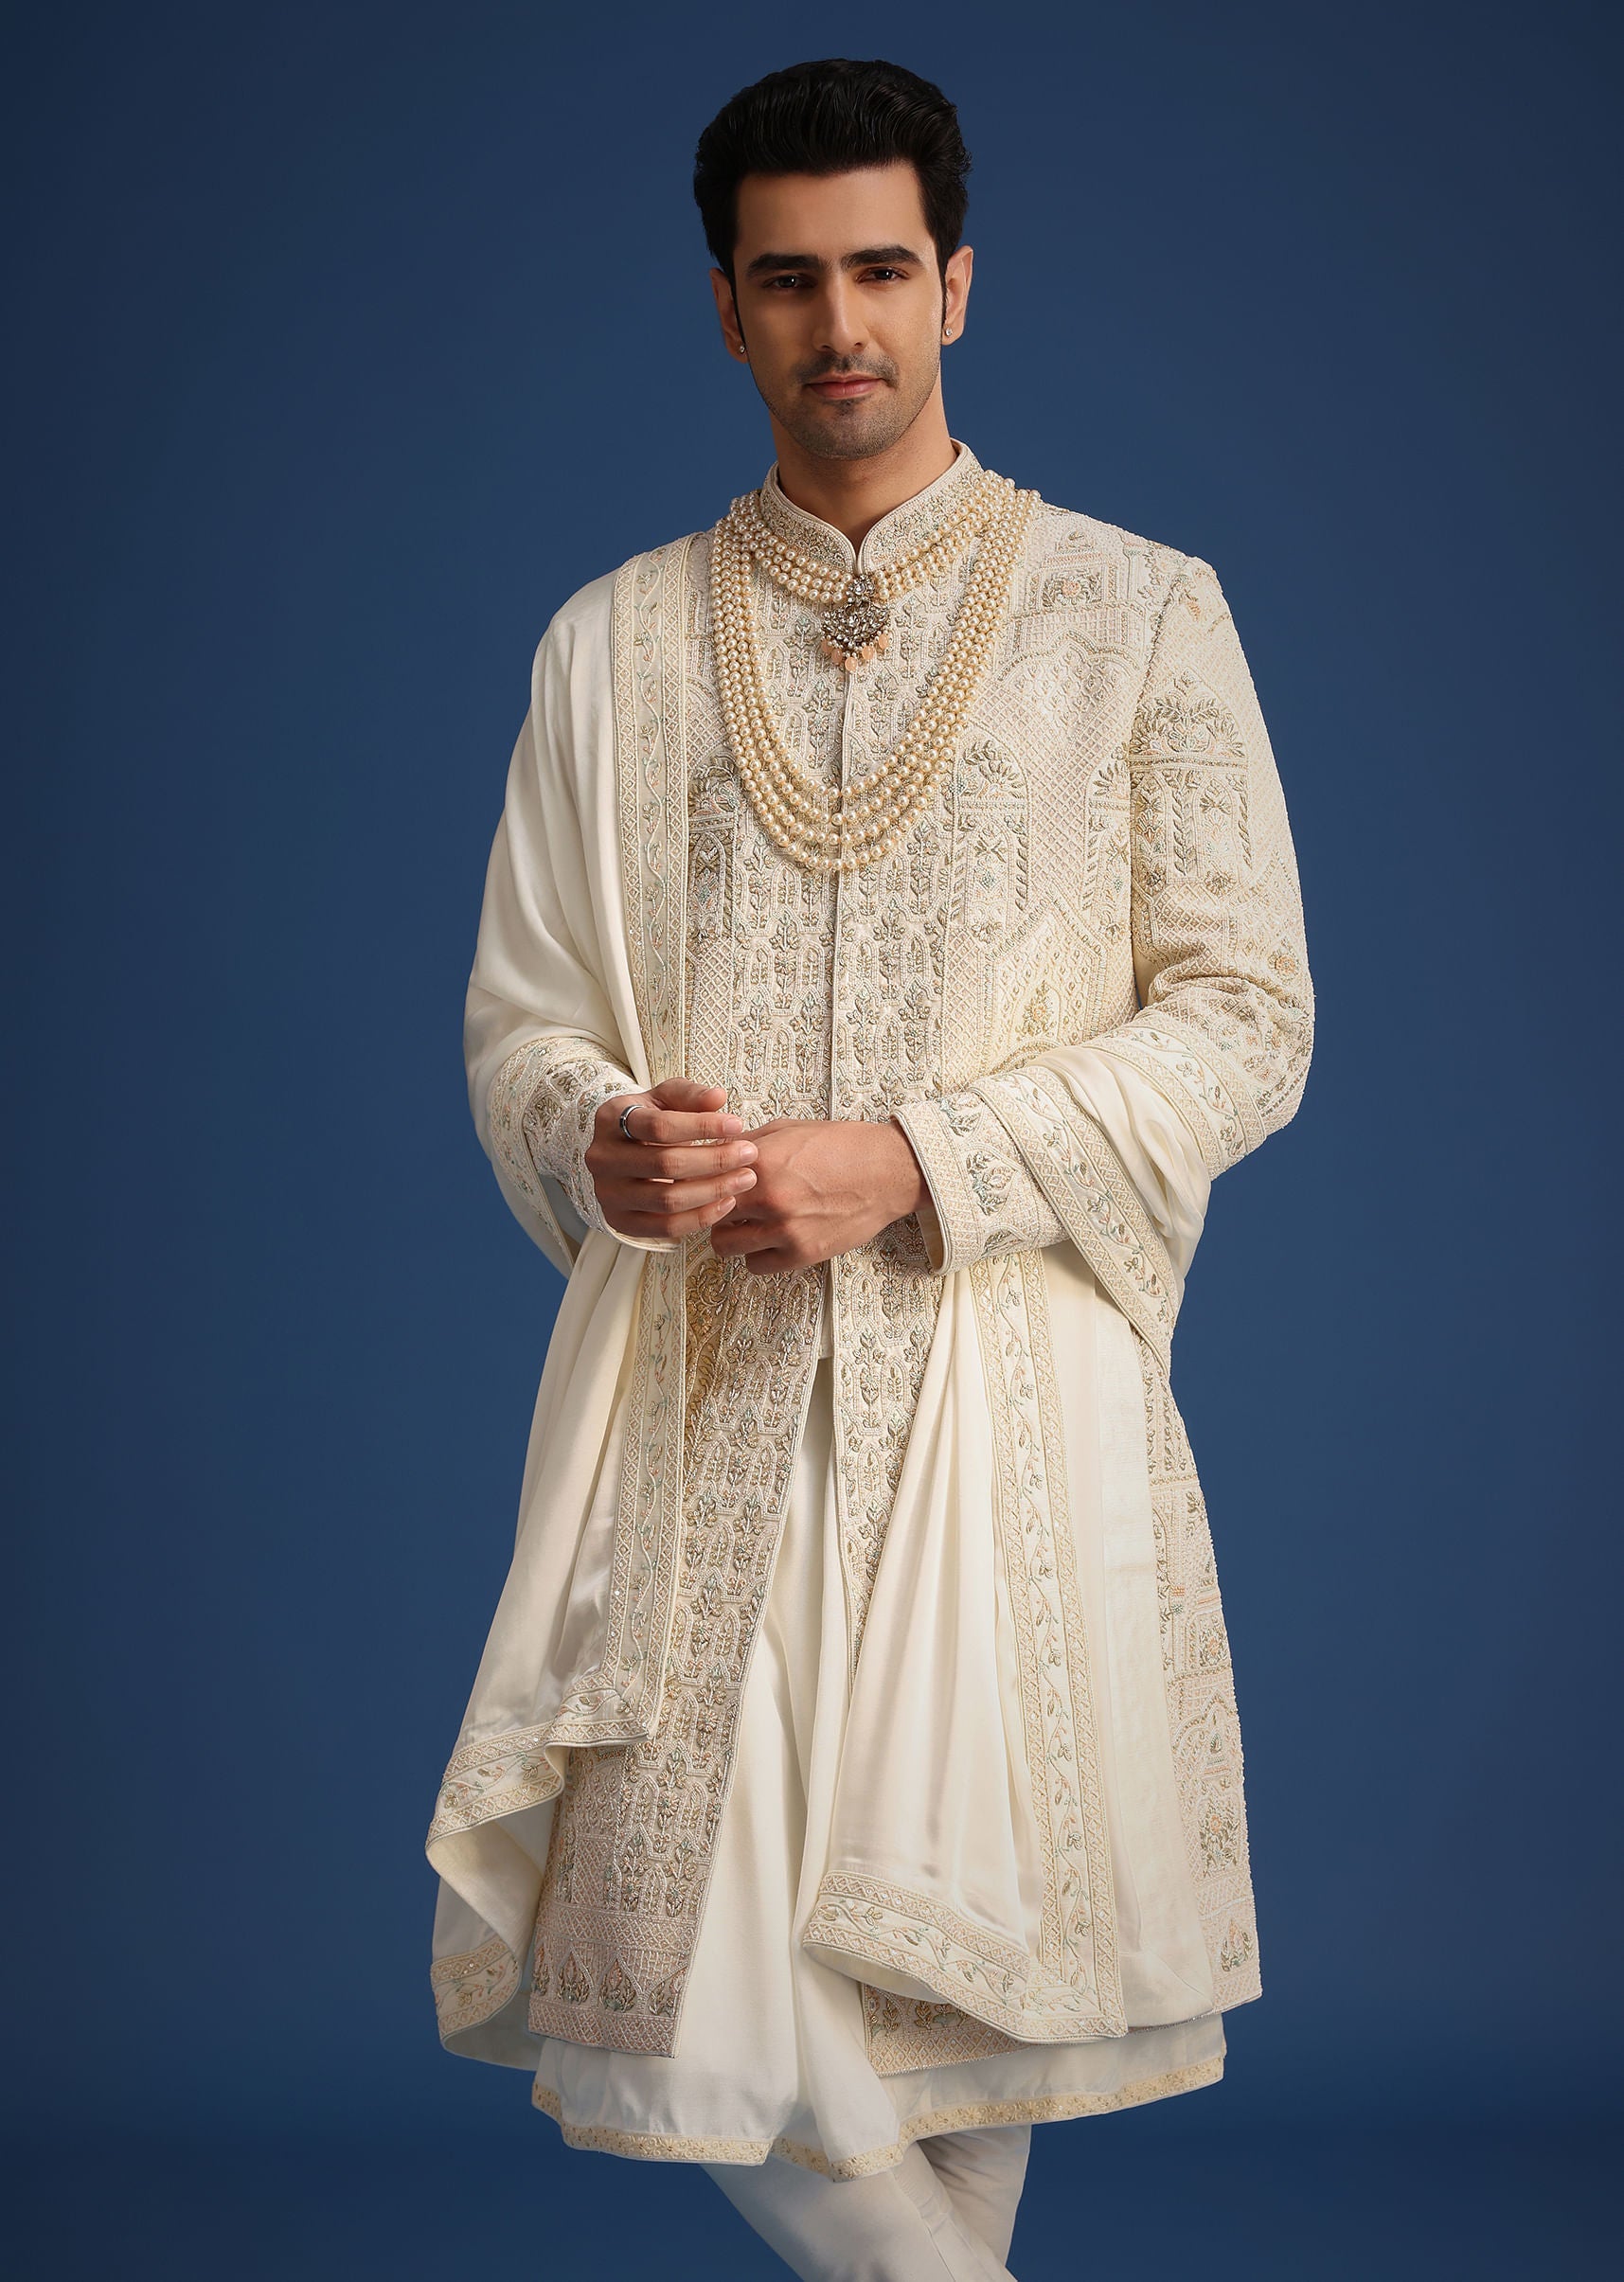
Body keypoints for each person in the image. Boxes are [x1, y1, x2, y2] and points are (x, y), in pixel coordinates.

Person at [425, 55, 1313, 2280]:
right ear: (727, 306)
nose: (844, 323)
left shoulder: (1138, 614)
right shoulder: (610, 644)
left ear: (959, 283)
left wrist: (916, 1155)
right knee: (717, 1982)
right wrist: (598, 1137)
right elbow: (523, 1022)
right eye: (791, 279)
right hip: (697, 1412)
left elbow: (1248, 1020)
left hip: (1014, 1404)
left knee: (951, 2026)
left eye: (885, 270)